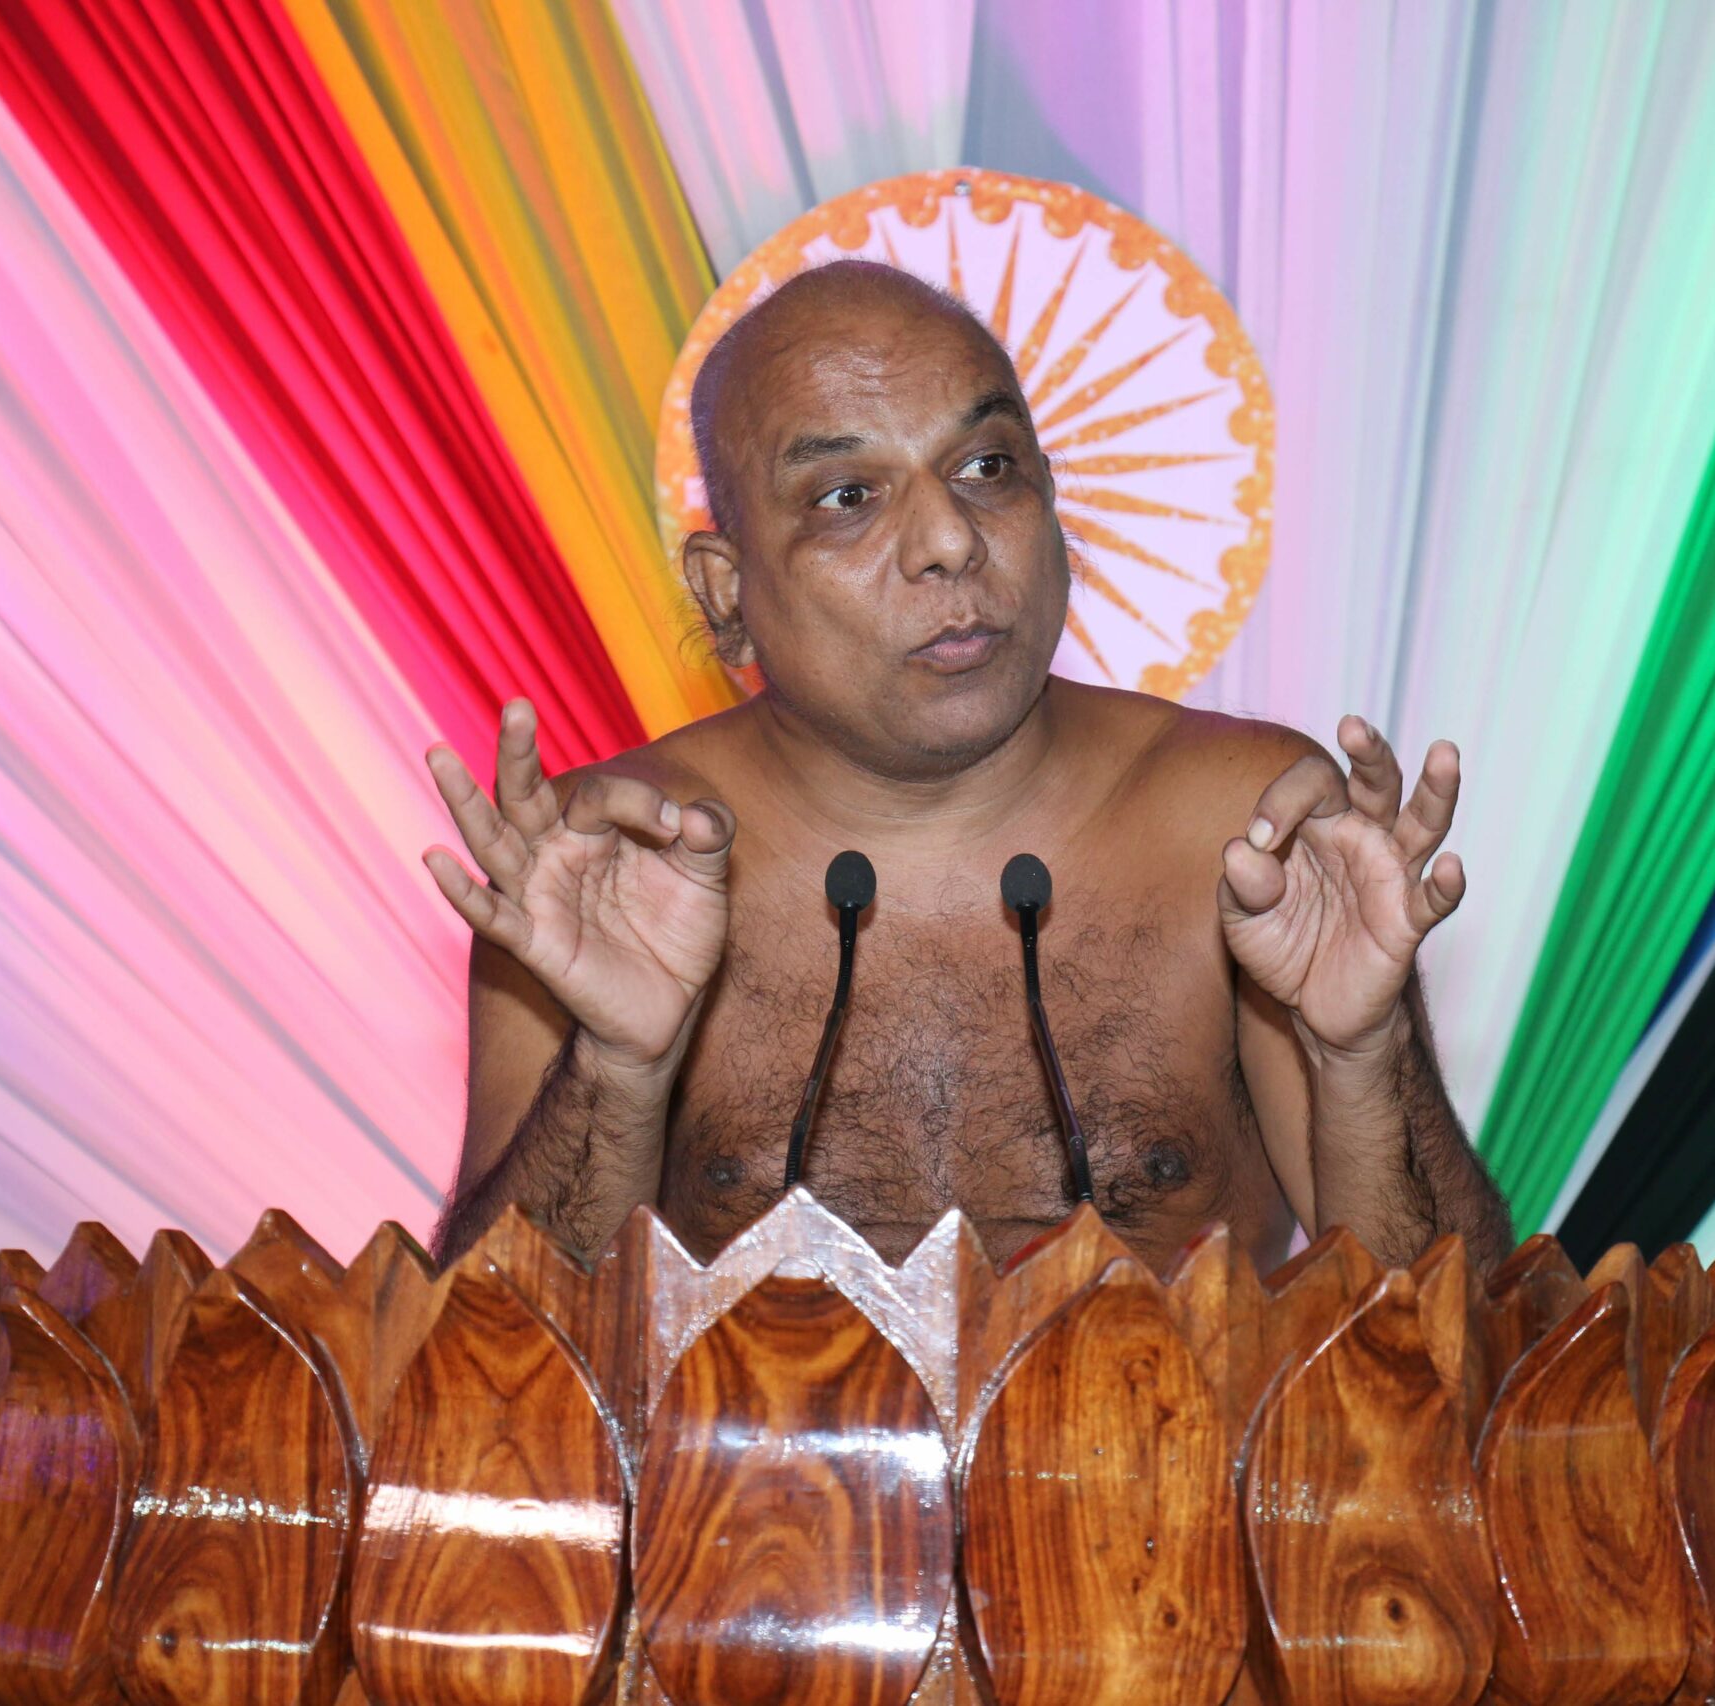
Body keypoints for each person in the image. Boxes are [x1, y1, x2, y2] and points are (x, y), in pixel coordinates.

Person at [422, 260, 1510, 1277]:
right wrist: (612, 1071)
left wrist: (1365, 1054)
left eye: (986, 468)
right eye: (847, 496)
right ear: (724, 591)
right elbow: (490, 1367)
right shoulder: (607, 858)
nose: (949, 538)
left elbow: (1448, 1353)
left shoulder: (1243, 825)